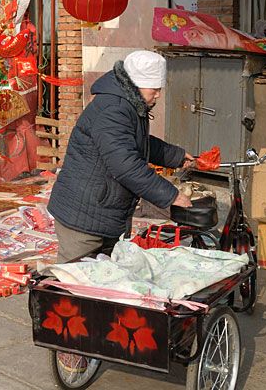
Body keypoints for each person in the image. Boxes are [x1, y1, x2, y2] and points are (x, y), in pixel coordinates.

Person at [47, 50, 194, 263]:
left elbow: (135, 143)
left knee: (101, 281)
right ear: (137, 84)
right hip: (84, 215)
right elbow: (126, 165)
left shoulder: (129, 104)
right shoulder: (113, 109)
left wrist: (175, 156)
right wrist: (171, 195)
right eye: (155, 89)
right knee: (75, 282)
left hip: (104, 210)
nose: (158, 95)